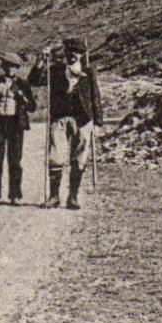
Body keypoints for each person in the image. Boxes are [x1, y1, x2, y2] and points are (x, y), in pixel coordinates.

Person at [45, 37, 102, 209]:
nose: (72, 55)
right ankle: (54, 196)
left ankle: (73, 197)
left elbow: (95, 96)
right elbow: (35, 79)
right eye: (70, 51)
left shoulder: (88, 72)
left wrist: (98, 122)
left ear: (82, 54)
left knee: (79, 158)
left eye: (77, 52)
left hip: (83, 119)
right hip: (60, 118)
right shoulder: (55, 70)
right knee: (56, 157)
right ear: (65, 52)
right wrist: (42, 60)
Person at [0, 52, 36, 205]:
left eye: (14, 66)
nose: (11, 69)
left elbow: (32, 107)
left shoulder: (23, 84)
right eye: (8, 66)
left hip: (16, 125)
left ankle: (15, 195)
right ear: (3, 67)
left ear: (17, 68)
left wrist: (22, 97)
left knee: (15, 160)